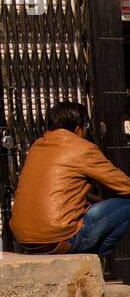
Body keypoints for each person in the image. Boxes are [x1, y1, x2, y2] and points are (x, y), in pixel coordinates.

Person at [10, 101, 130, 258]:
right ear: (79, 128)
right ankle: (94, 262)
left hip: (24, 239)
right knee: (126, 206)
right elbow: (123, 185)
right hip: (60, 239)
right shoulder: (82, 148)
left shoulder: (36, 147)